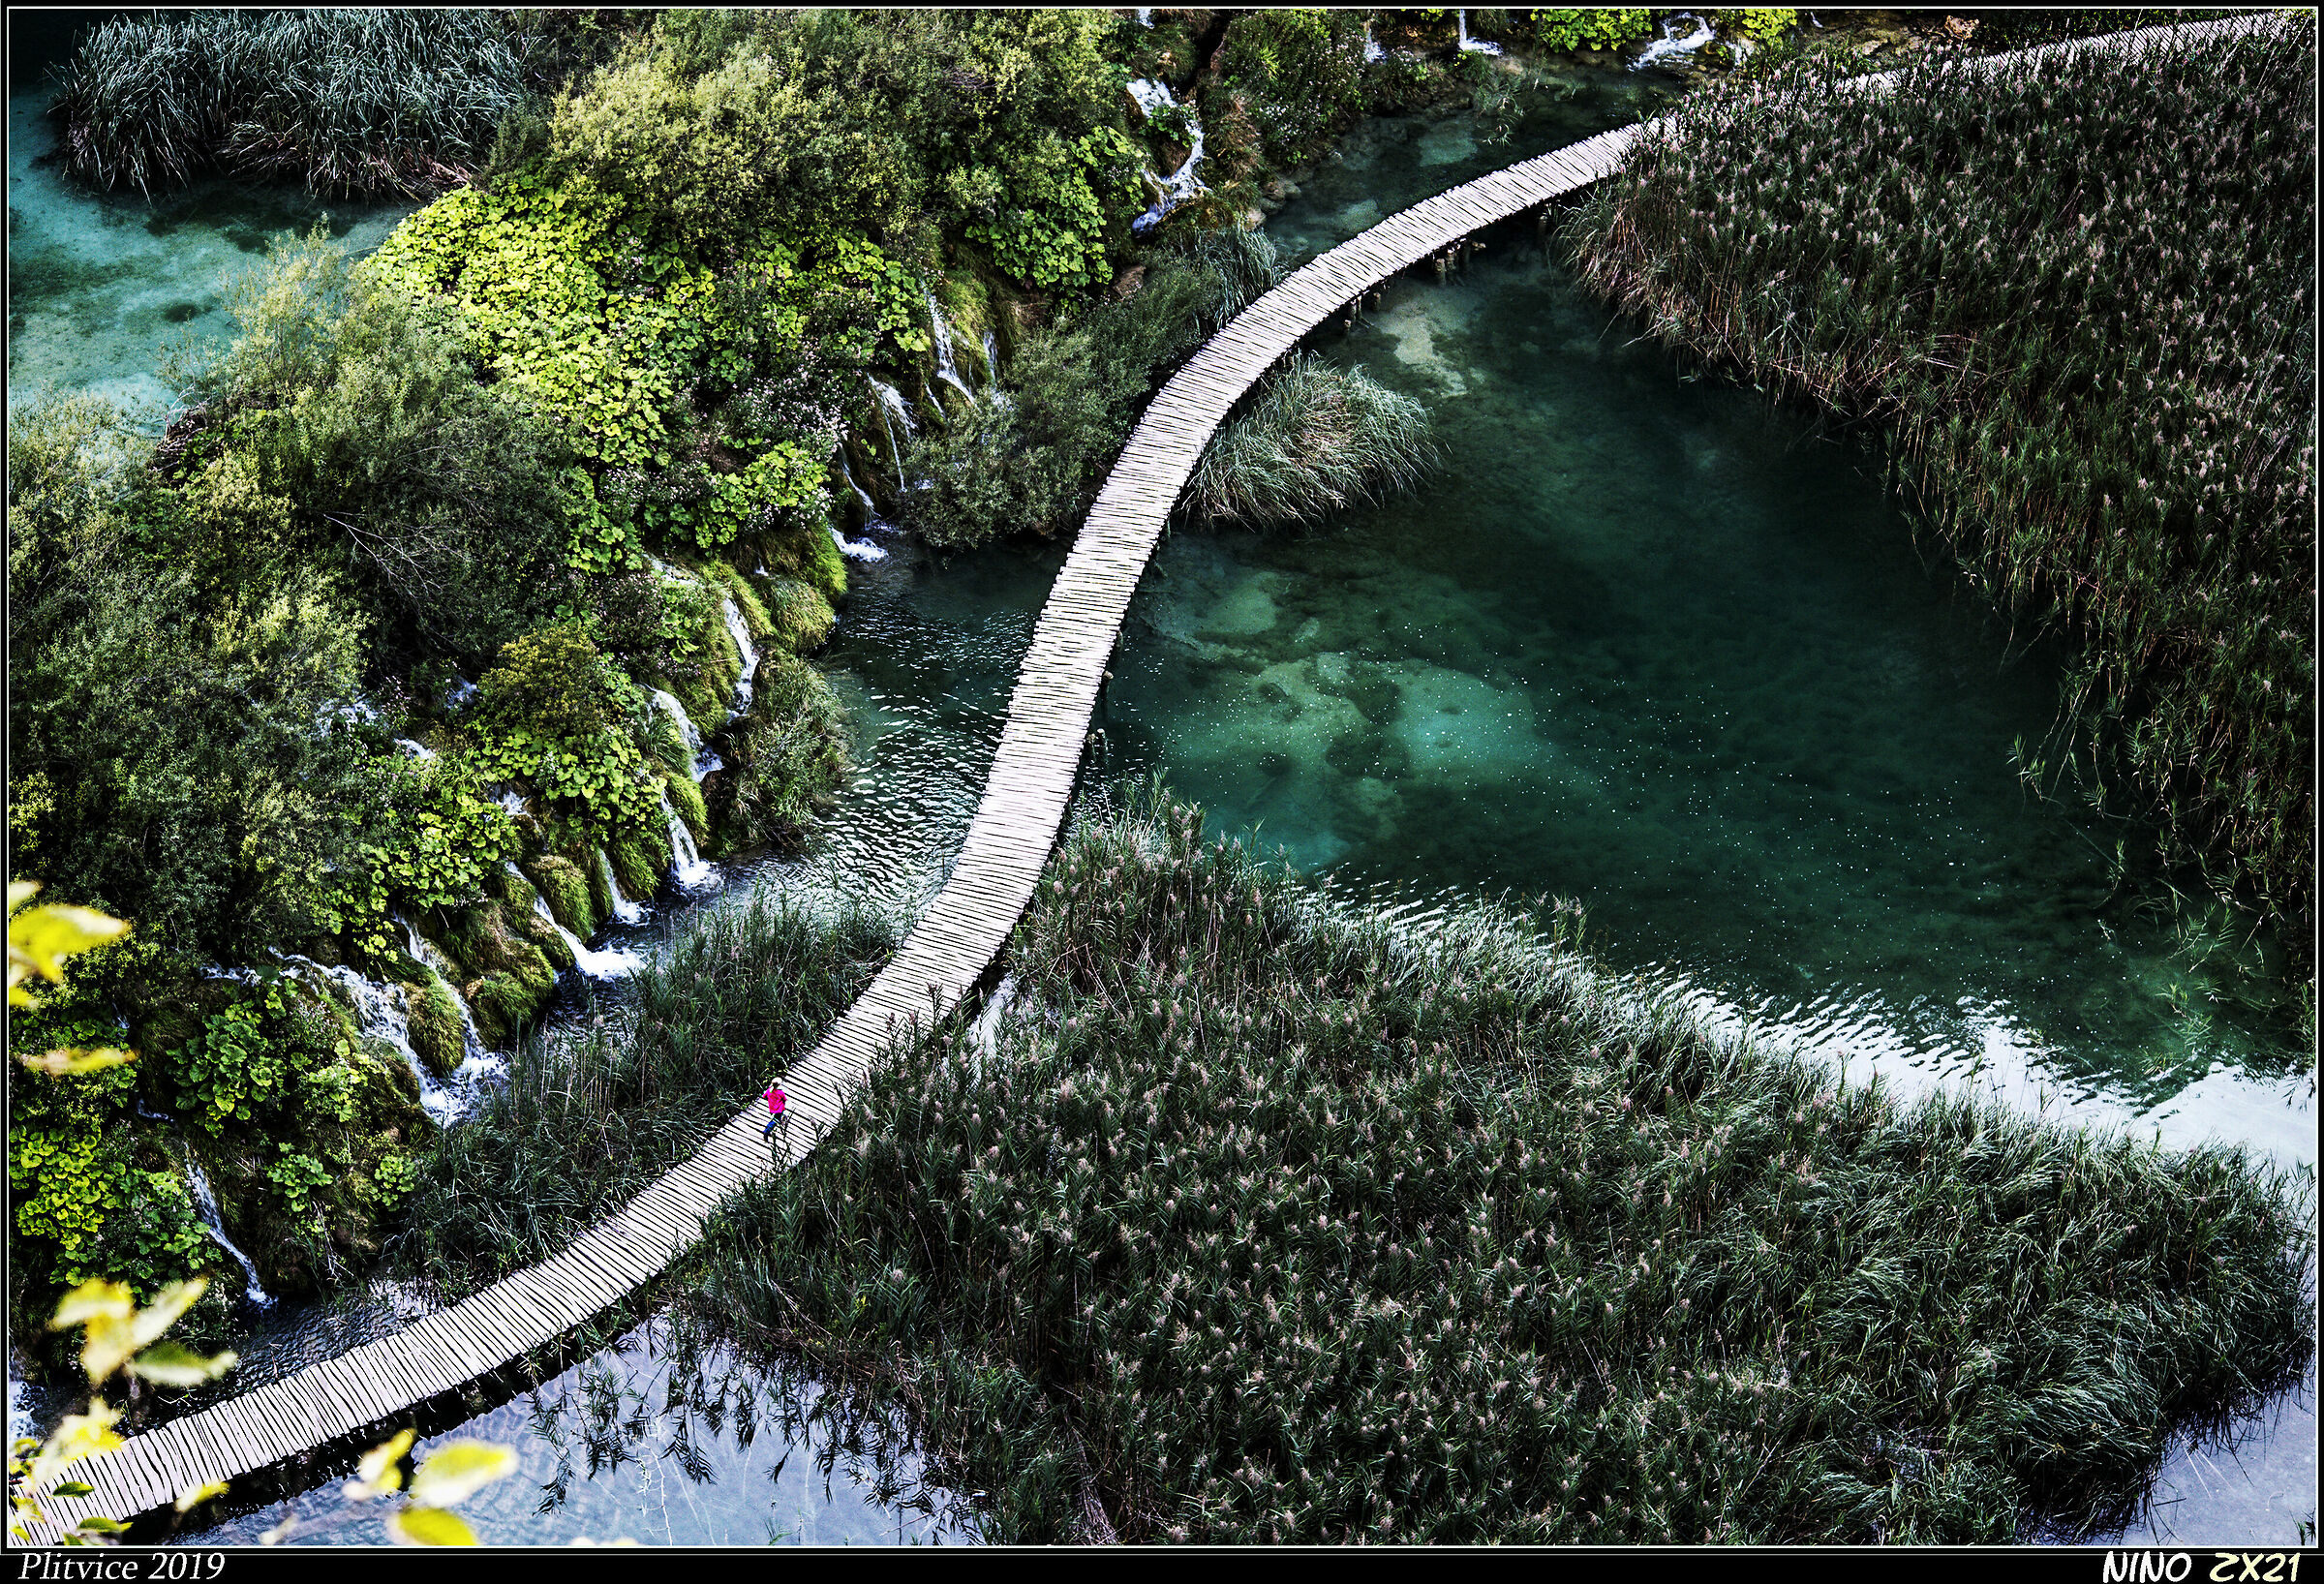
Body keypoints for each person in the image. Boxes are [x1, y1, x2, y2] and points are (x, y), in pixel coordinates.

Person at [761, 1082, 789, 1148]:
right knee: (775, 1120)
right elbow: (784, 1099)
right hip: (779, 1109)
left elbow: (764, 1096)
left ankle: (768, 1128)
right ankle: (767, 1130)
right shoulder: (780, 1092)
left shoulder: (769, 1090)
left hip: (772, 1108)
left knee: (775, 1119)